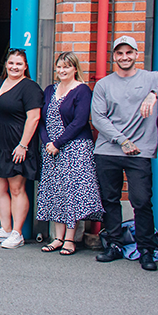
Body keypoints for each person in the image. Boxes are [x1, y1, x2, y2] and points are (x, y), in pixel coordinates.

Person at [92, 35, 158, 271]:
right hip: (108, 150)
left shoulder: (151, 78)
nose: (124, 57)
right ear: (114, 56)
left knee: (141, 201)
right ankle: (114, 245)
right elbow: (98, 118)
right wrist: (122, 140)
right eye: (119, 53)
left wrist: (155, 94)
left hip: (139, 152)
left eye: (128, 52)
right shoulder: (104, 84)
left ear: (136, 54)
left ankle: (146, 250)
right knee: (109, 200)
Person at [36, 52, 103, 256]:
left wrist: (58, 142)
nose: (62, 70)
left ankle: (70, 239)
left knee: (71, 192)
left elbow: (80, 121)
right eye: (59, 67)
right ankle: (57, 237)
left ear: (75, 69)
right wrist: (48, 142)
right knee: (56, 190)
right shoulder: (49, 90)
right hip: (51, 149)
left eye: (67, 66)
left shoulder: (82, 90)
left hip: (75, 148)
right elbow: (41, 120)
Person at [0, 49, 43, 249]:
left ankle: (17, 233)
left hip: (16, 145)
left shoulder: (30, 88)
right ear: (6, 64)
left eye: (18, 64)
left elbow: (34, 118)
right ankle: (5, 229)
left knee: (16, 189)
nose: (14, 67)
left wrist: (23, 145)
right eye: (11, 63)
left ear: (25, 67)